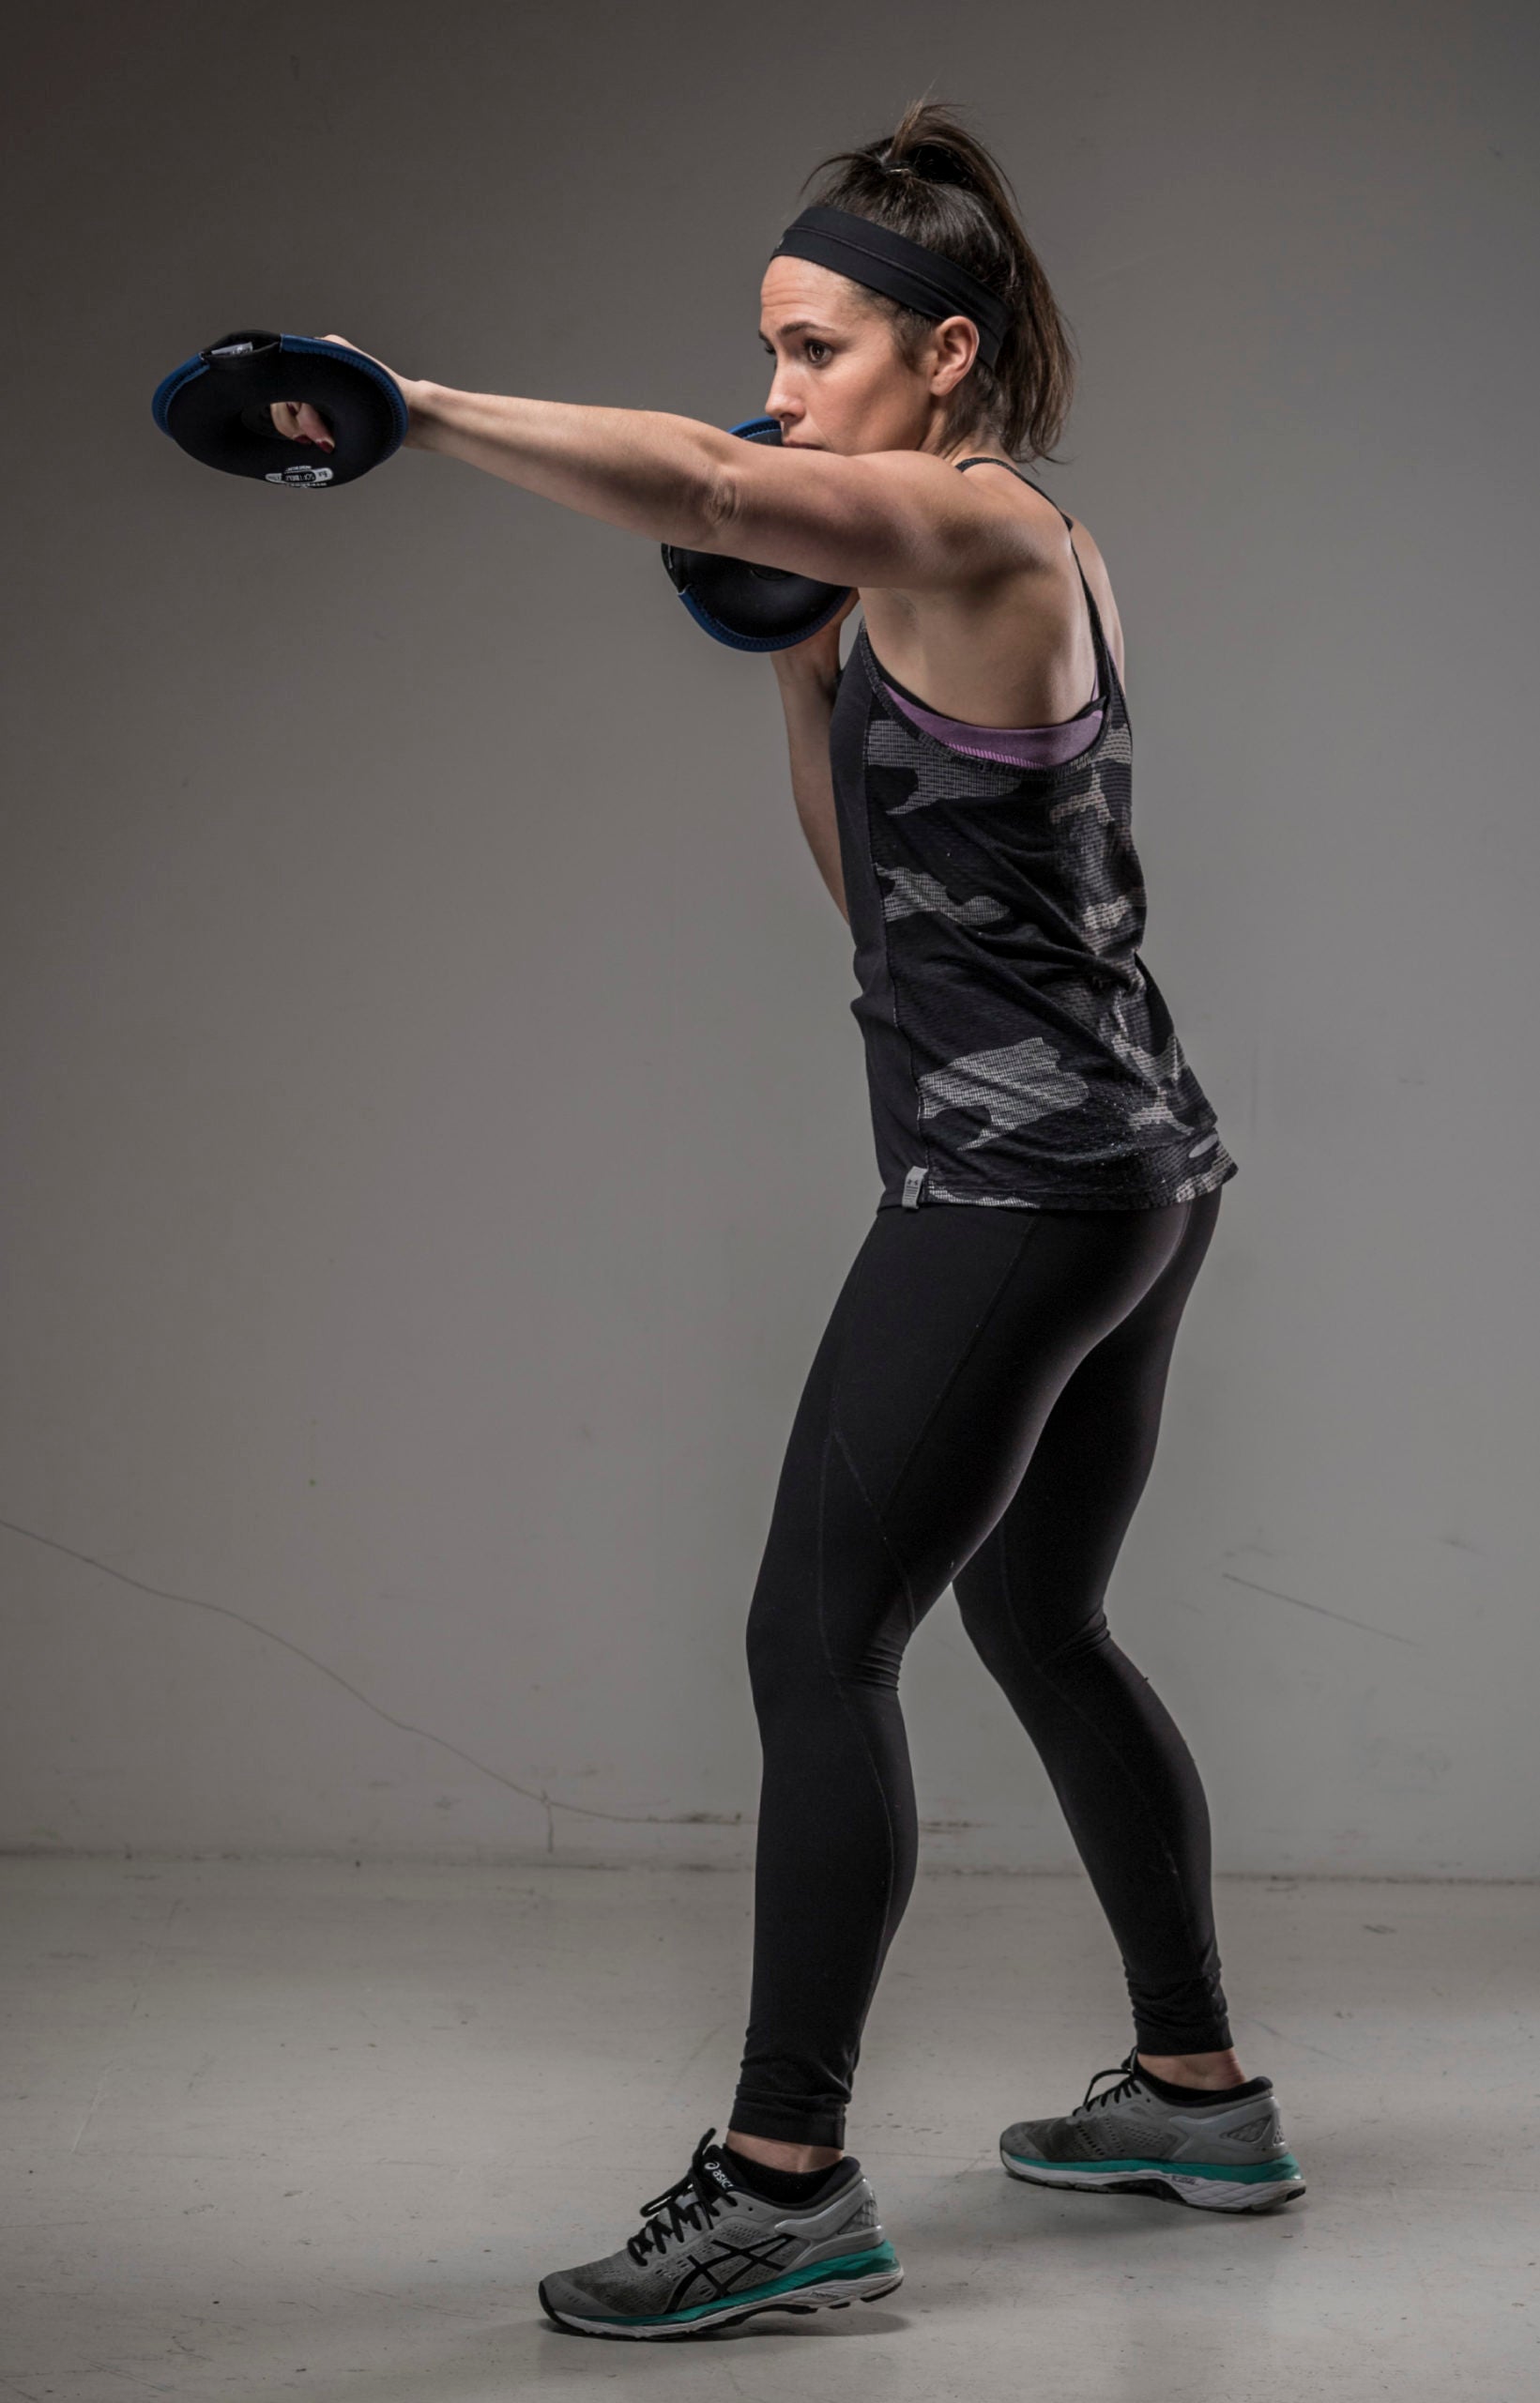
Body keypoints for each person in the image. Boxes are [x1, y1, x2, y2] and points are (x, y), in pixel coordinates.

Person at [271, 97, 1304, 2340]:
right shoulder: (958, 565)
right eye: (762, 342)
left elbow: (724, 487)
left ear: (941, 356)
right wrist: (785, 659)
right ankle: (1195, 2091)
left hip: (1018, 1189)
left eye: (816, 342)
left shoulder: (978, 530)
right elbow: (886, 907)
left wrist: (415, 403)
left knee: (809, 1637)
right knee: (1034, 1621)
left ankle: (783, 2175)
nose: (775, 385)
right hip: (1129, 1163)